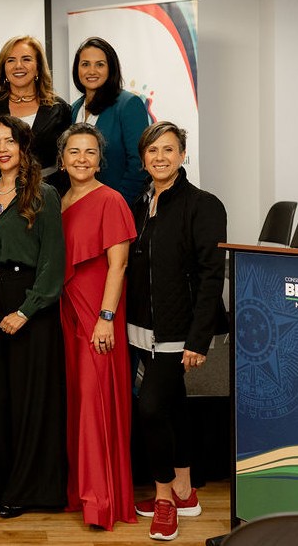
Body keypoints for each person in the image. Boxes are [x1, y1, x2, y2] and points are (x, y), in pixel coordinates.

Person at [127, 121, 227, 542]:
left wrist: (197, 339)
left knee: (150, 408)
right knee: (173, 406)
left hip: (179, 332)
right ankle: (186, 490)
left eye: (169, 150)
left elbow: (210, 276)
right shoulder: (141, 203)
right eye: (152, 151)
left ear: (183, 155)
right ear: (143, 158)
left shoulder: (203, 205)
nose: (160, 158)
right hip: (141, 329)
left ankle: (165, 498)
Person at [0, 115, 67, 518]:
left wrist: (26, 310)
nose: (2, 149)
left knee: (30, 402)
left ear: (23, 145)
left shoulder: (43, 194)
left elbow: (53, 263)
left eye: (9, 141)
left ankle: (28, 491)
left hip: (30, 304)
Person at [58, 122, 137, 531]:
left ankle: (101, 501)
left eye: (90, 152)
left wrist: (106, 318)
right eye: (74, 151)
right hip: (67, 311)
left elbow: (118, 265)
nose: (82, 159)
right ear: (62, 157)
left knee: (96, 403)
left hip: (97, 315)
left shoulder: (111, 199)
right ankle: (83, 493)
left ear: (99, 159)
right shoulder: (59, 198)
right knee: (78, 403)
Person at [0, 35, 70, 192]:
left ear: (38, 67)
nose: (18, 66)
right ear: (3, 68)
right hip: (0, 194)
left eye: (26, 59)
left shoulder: (59, 108)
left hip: (49, 194)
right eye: (11, 60)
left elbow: (65, 160)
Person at [70, 36, 150, 203]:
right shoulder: (74, 108)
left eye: (100, 64)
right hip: (79, 204)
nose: (92, 71)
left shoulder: (128, 104)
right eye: (85, 64)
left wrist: (117, 204)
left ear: (111, 68)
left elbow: (139, 164)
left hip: (116, 206)